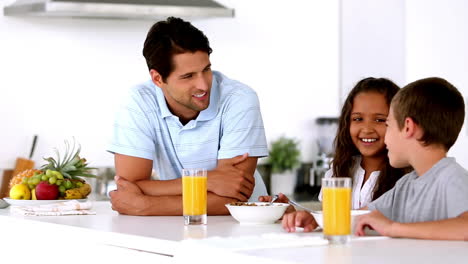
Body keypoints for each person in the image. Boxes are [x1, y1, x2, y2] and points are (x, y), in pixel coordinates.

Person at [107, 17, 268, 216]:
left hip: (246, 224)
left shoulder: (239, 99)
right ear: (158, 79)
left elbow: (233, 197)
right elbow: (128, 188)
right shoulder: (139, 102)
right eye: (188, 76)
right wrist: (208, 180)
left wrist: (147, 205)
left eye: (206, 69)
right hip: (177, 226)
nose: (203, 85)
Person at [263, 77, 407, 231]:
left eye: (379, 120)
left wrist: (317, 219)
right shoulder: (337, 172)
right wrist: (296, 215)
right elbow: (333, 224)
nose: (367, 129)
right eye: (358, 119)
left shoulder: (408, 179)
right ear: (347, 123)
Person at [354, 77, 468, 240]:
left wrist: (393, 228)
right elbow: (361, 216)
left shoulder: (453, 179)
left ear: (408, 127)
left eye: (388, 125)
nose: (385, 137)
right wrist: (318, 219)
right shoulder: (405, 185)